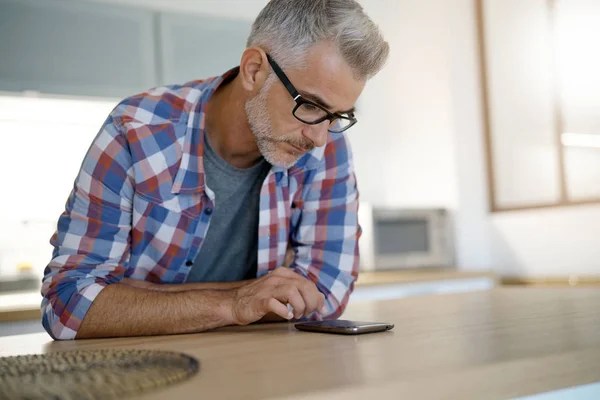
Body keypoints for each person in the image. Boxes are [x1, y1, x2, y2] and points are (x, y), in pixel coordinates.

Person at [41, 0, 389, 340]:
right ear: (254, 70)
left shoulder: (326, 149)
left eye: (337, 116)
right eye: (311, 106)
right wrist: (235, 303)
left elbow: (325, 293)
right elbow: (68, 305)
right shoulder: (135, 130)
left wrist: (136, 295)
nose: (319, 138)